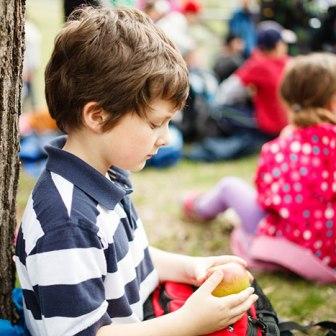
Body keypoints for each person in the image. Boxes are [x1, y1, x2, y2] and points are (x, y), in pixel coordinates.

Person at [14, 7, 258, 336]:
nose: (166, 138)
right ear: (97, 116)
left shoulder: (107, 173)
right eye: (156, 123)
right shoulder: (66, 220)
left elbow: (130, 259)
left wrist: (192, 268)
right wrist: (187, 324)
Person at [182, 53, 336, 283]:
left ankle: (198, 206)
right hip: (329, 254)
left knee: (229, 186)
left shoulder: (278, 148)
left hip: (288, 247)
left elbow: (266, 198)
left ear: (287, 99)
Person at [186, 21, 294, 162]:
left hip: (268, 127)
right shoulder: (291, 62)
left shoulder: (258, 65)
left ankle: (208, 145)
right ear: (277, 44)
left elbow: (225, 93)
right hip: (289, 126)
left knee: (218, 110)